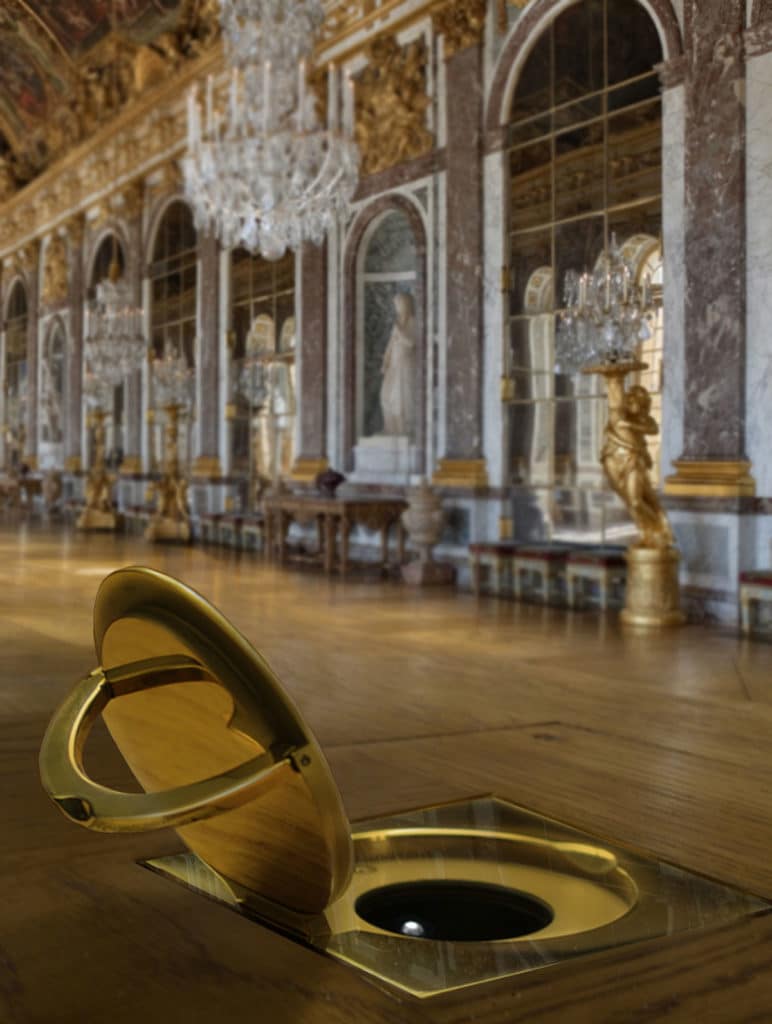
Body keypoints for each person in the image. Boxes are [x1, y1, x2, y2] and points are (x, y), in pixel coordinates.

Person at [601, 379, 673, 549]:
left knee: (635, 501)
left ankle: (658, 529)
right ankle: (647, 533)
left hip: (634, 460)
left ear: (641, 404)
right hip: (615, 459)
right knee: (630, 501)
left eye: (635, 401)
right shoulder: (619, 415)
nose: (631, 403)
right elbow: (614, 407)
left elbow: (653, 429)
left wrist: (630, 425)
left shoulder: (644, 419)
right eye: (630, 400)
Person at [380, 291, 417, 437]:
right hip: (394, 365)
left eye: (399, 303)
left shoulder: (413, 322)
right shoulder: (397, 323)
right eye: (396, 304)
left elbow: (412, 343)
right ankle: (390, 427)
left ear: (406, 305)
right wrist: (385, 361)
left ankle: (403, 429)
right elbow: (390, 345)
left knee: (402, 398)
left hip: (406, 365)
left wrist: (400, 333)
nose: (397, 307)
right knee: (385, 395)